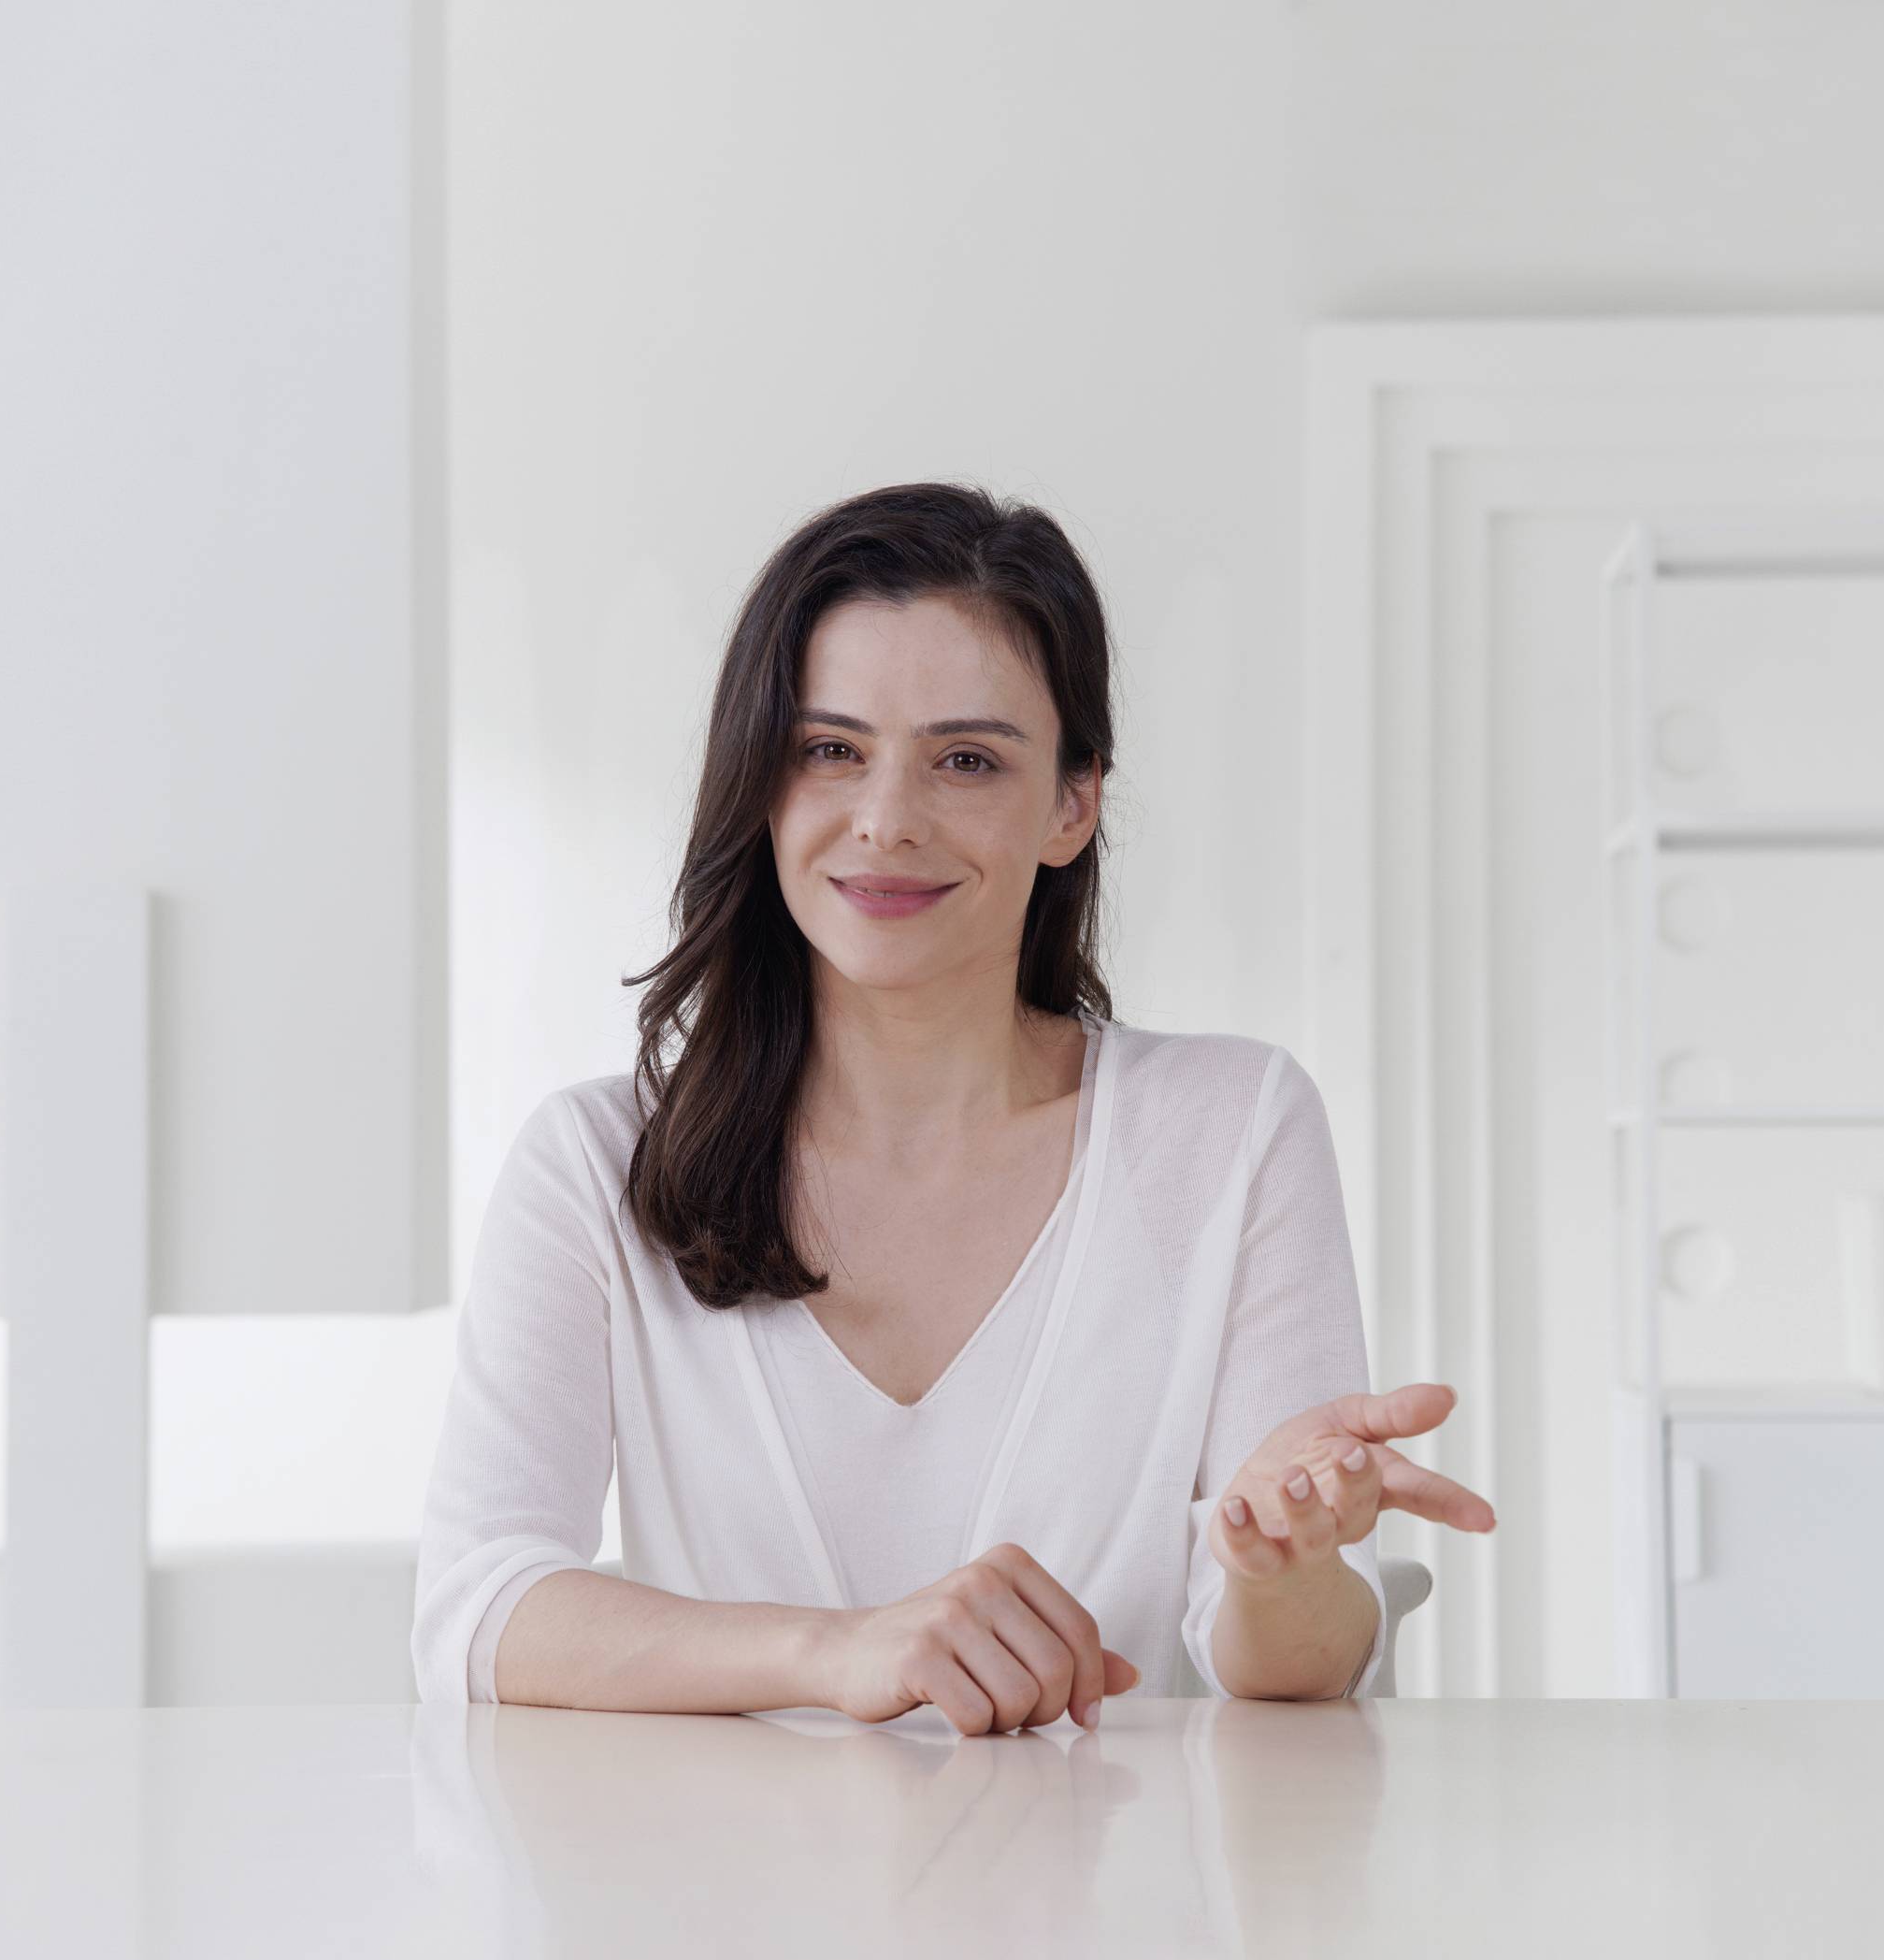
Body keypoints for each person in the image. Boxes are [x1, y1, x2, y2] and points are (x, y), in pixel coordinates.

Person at [411, 482, 1495, 1735]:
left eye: (967, 760)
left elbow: (1303, 1664)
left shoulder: (1232, 1127)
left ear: (1072, 805)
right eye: (829, 750)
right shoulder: (593, 1165)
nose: (886, 818)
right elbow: (475, 1608)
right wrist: (841, 1655)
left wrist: (1284, 1562)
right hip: (717, 1919)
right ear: (760, 782)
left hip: (1111, 1917)